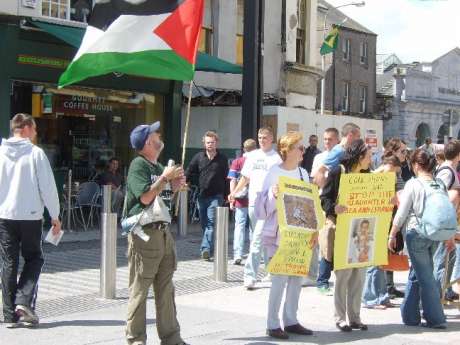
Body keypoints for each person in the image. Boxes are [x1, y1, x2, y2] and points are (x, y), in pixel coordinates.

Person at [124, 121, 188, 345]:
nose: (159, 135)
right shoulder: (138, 165)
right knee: (140, 288)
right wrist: (165, 178)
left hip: (163, 232)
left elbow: (165, 199)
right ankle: (136, 339)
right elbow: (144, 197)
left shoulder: (159, 167)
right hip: (145, 234)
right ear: (148, 142)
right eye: (155, 133)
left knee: (166, 288)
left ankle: (172, 338)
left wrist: (177, 185)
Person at [0, 113, 61, 328]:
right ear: (25, 128)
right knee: (34, 259)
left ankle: (9, 314)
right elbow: (48, 187)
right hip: (31, 216)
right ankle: (23, 302)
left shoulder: (1, 153)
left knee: (8, 262)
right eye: (34, 129)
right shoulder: (36, 154)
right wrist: (55, 215)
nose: (35, 133)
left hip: (5, 215)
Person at [256, 131, 315, 339]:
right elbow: (261, 210)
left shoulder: (303, 173)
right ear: (288, 150)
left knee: (297, 279)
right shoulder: (273, 172)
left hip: (299, 234)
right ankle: (272, 324)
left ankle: (291, 320)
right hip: (278, 235)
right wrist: (272, 195)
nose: (303, 151)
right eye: (300, 147)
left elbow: (308, 205)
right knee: (279, 280)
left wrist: (312, 231)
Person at [388, 149, 448, 329]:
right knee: (419, 273)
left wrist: (392, 233)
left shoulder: (413, 184)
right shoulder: (439, 184)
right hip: (435, 234)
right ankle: (410, 316)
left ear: (415, 165)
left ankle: (435, 318)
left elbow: (402, 212)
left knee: (425, 276)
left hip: (417, 234)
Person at [320, 139, 372, 332]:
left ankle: (355, 317)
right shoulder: (338, 172)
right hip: (342, 229)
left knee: (359, 276)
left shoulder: (367, 175)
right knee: (343, 276)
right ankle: (340, 317)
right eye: (368, 156)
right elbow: (324, 198)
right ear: (359, 157)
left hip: (362, 230)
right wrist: (334, 208)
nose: (370, 160)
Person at [228, 127, 282, 289]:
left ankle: (249, 275)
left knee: (257, 239)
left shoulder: (277, 158)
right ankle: (270, 271)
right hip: (253, 203)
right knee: (262, 239)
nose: (262, 140)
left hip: (269, 205)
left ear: (272, 138)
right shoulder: (252, 156)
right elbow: (245, 177)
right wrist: (234, 192)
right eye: (259, 137)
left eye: (265, 137)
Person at [362, 155, 401, 309]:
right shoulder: (372, 178)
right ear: (387, 165)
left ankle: (382, 296)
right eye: (393, 170)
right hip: (371, 224)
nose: (394, 175)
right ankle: (370, 298)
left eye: (396, 173)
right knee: (372, 264)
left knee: (381, 263)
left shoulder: (390, 181)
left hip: (384, 223)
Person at [185, 131, 229, 260]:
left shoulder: (222, 158)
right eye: (208, 142)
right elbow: (189, 170)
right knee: (205, 225)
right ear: (204, 143)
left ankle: (205, 249)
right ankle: (210, 249)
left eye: (212, 142)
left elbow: (226, 177)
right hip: (202, 195)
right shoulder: (199, 157)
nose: (210, 144)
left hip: (217, 196)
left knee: (210, 223)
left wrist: (227, 196)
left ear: (217, 143)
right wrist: (185, 181)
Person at [312, 128, 340, 295]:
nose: (327, 142)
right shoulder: (319, 158)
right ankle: (322, 280)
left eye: (330, 139)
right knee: (325, 242)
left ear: (337, 140)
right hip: (324, 203)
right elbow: (315, 179)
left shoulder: (341, 158)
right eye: (325, 139)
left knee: (337, 243)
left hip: (340, 204)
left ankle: (336, 278)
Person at [381, 138, 409, 298]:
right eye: (402, 151)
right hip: (388, 213)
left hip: (396, 212)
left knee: (393, 247)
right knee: (387, 247)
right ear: (394, 152)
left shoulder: (401, 168)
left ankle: (389, 285)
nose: (405, 154)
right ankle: (385, 286)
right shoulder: (388, 168)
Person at [433, 140, 460, 302]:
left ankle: (442, 294)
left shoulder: (450, 169)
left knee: (448, 259)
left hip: (448, 222)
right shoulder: (447, 171)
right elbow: (439, 196)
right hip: (443, 223)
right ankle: (435, 300)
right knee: (441, 263)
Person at [228, 138, 257, 265]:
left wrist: (232, 196)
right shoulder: (257, 161)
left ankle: (237, 254)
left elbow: (232, 180)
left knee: (239, 226)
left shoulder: (237, 162)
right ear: (255, 148)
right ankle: (252, 253)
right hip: (255, 199)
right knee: (253, 228)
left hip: (240, 199)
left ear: (244, 149)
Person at [313, 123, 361, 188]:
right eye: (358, 136)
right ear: (350, 135)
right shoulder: (339, 151)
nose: (359, 140)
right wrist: (329, 192)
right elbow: (319, 173)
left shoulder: (348, 151)